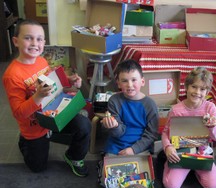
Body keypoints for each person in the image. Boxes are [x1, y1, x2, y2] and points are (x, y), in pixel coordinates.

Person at [2, 19, 91, 177]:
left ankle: (73, 157)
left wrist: (69, 81)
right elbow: (18, 113)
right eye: (28, 38)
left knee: (83, 125)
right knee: (38, 167)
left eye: (39, 39)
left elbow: (54, 84)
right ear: (16, 41)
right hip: (34, 127)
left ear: (44, 42)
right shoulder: (12, 75)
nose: (34, 43)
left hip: (53, 112)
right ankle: (25, 142)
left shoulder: (42, 61)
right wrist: (37, 97)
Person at [161, 67, 216, 188]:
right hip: (181, 152)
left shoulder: (210, 108)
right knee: (171, 186)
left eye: (202, 89)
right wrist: (168, 147)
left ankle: (195, 170)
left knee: (213, 187)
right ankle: (169, 165)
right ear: (187, 87)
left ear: (207, 91)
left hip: (202, 152)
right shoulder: (176, 110)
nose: (197, 92)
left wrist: (213, 126)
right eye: (194, 87)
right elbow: (165, 133)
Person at [101, 59, 159, 155]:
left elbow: (152, 134)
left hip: (141, 147)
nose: (130, 85)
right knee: (111, 168)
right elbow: (117, 133)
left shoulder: (150, 104)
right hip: (116, 146)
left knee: (140, 168)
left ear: (142, 81)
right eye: (124, 81)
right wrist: (114, 126)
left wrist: (133, 149)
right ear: (118, 83)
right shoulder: (114, 101)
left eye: (134, 80)